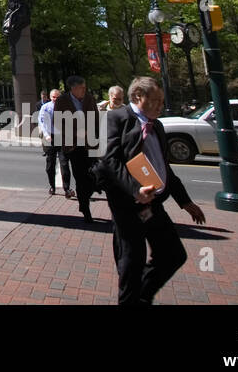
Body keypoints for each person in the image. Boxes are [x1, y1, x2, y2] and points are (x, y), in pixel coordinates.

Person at [96, 76, 206, 305]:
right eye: (155, 100)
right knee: (132, 260)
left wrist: (184, 201)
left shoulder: (158, 125)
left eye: (161, 100)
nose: (160, 105)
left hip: (154, 203)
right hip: (127, 203)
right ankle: (132, 299)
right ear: (138, 97)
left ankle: (140, 295)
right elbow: (109, 160)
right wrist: (135, 190)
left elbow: (163, 166)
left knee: (173, 254)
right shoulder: (117, 118)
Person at [57, 75, 100, 222]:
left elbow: (96, 119)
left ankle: (84, 200)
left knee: (93, 177)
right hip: (74, 146)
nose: (84, 90)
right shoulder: (62, 101)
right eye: (81, 87)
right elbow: (58, 123)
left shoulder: (89, 98)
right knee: (80, 178)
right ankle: (85, 208)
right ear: (73, 88)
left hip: (90, 143)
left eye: (85, 87)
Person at [37, 88, 70, 197]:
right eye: (53, 97)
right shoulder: (45, 107)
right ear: (50, 97)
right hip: (49, 137)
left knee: (64, 164)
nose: (55, 99)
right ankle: (52, 186)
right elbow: (42, 123)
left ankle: (67, 188)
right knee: (50, 165)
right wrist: (46, 135)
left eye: (57, 97)